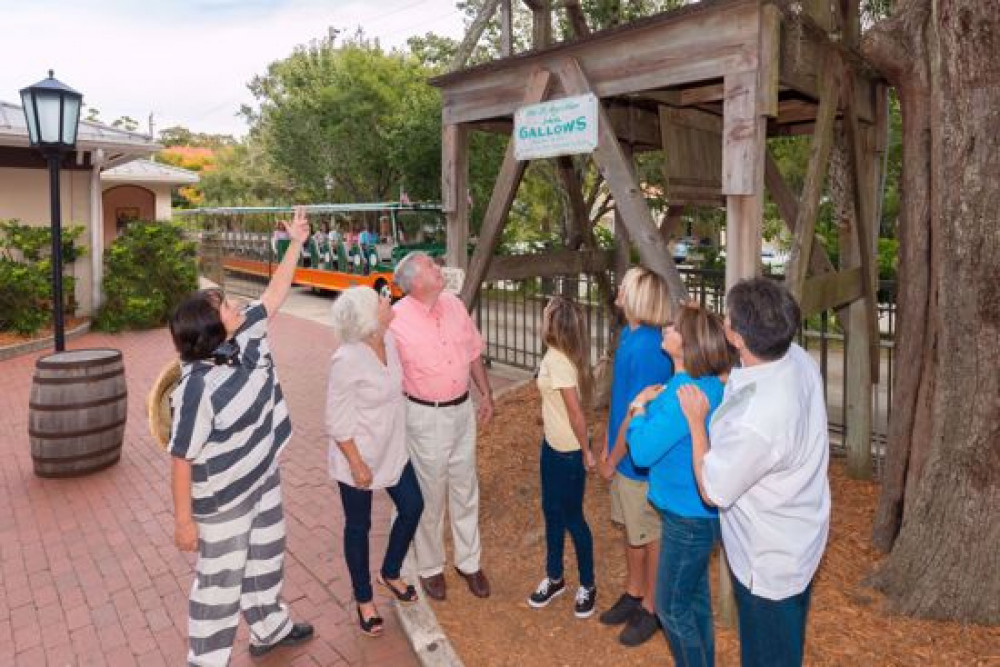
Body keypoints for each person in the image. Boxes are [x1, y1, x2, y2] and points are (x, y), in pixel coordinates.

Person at [168, 206, 314, 665]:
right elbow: (180, 458)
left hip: (262, 474)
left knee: (267, 557)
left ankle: (270, 627)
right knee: (220, 585)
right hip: (224, 498)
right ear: (212, 331)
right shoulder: (195, 389)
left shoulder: (246, 331)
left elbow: (274, 294)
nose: (235, 306)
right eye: (225, 307)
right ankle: (206, 660)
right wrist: (184, 522)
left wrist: (296, 243)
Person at [677, 278, 830, 667]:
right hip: (798, 536)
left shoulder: (760, 422)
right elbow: (745, 381)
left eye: (726, 317)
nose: (723, 320)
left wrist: (696, 423)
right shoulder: (794, 357)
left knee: (769, 656)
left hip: (769, 566)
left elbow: (712, 490)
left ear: (739, 337)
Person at [626, 303, 732, 666]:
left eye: (673, 326)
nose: (665, 328)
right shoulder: (704, 383)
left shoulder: (683, 393)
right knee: (694, 599)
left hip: (687, 518)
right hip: (698, 514)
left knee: (670, 608)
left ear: (687, 343)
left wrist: (638, 408)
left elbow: (640, 452)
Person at [389, 251, 494, 601]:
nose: (440, 268)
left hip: (462, 411)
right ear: (417, 282)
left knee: (466, 488)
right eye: (433, 266)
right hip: (424, 417)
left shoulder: (454, 305)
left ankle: (469, 562)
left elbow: (473, 352)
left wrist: (487, 395)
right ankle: (431, 567)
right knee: (430, 495)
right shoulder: (394, 320)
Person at [326, 287, 425, 637]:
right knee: (358, 526)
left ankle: (391, 570)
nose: (388, 301)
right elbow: (337, 422)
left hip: (393, 449)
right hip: (358, 455)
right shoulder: (347, 359)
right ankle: (364, 599)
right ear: (370, 317)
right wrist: (356, 464)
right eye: (381, 300)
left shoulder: (391, 342)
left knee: (413, 506)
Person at [595, 267, 674, 646]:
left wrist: (613, 456)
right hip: (625, 455)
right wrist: (606, 443)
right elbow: (621, 401)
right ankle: (634, 590)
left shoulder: (647, 348)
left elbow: (637, 410)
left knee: (649, 532)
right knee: (632, 528)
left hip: (639, 462)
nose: (620, 287)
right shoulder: (631, 335)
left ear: (639, 296)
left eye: (627, 283)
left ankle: (653, 607)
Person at [527, 297, 598, 619]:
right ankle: (555, 577)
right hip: (551, 447)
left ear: (555, 325)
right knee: (551, 512)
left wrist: (586, 452)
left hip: (568, 454)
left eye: (545, 316)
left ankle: (588, 584)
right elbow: (558, 404)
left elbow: (575, 413)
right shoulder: (560, 355)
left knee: (572, 518)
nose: (542, 320)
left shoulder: (559, 360)